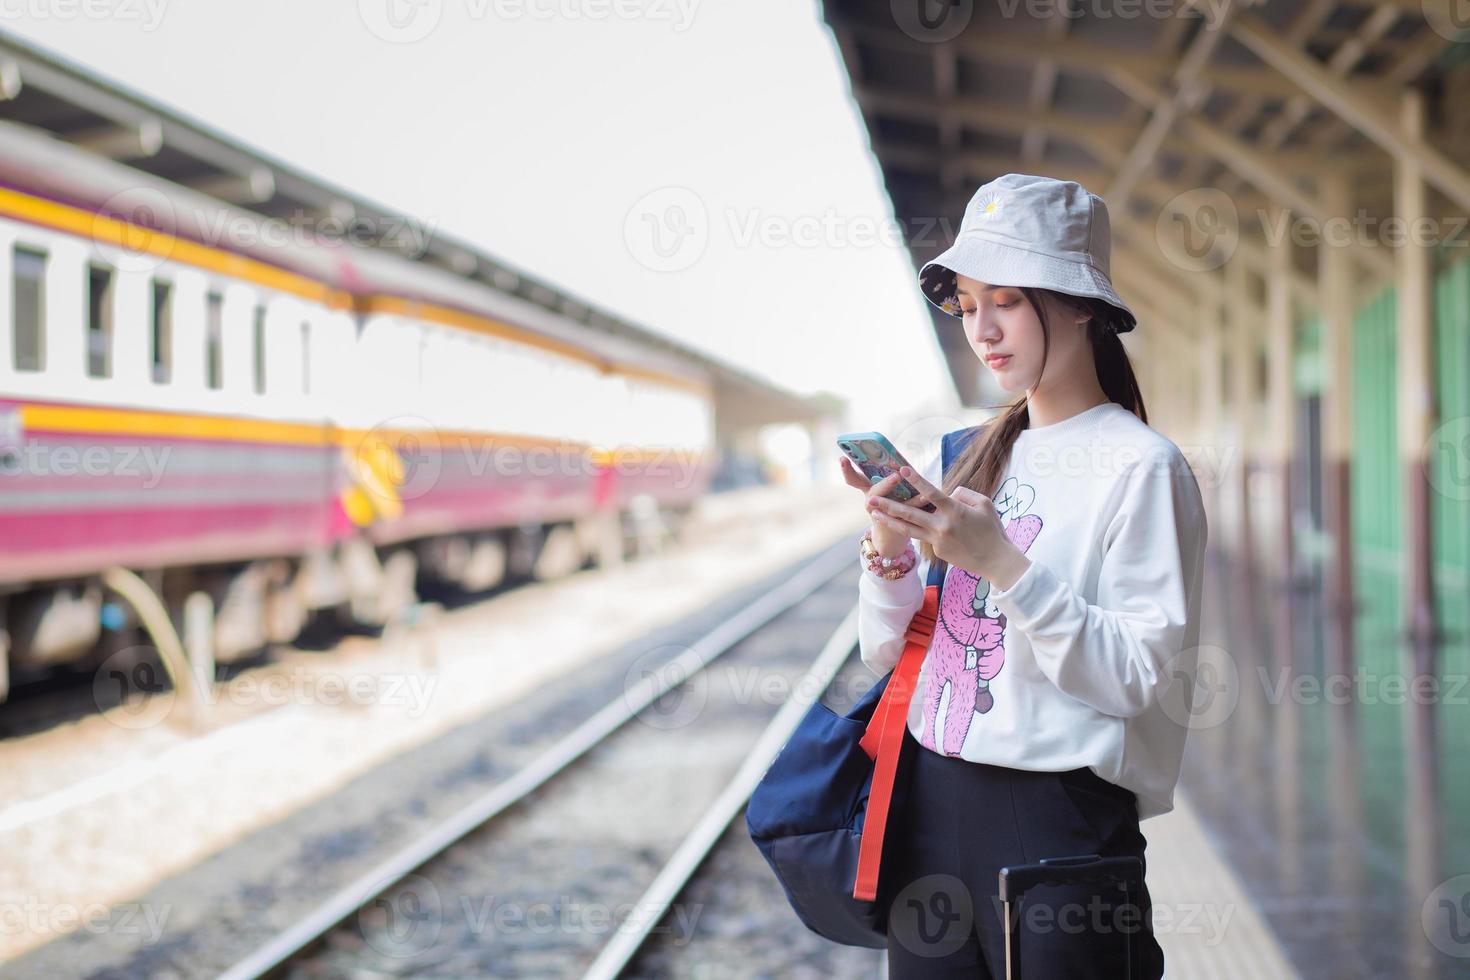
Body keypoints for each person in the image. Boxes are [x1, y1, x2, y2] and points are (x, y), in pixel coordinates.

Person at [838, 173, 1208, 978]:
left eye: (1005, 299)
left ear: (1081, 303)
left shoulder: (1143, 467)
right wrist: (888, 544)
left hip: (1060, 828)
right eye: (968, 305)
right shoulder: (964, 455)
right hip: (929, 815)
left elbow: (1135, 678)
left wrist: (998, 561)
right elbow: (884, 653)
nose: (983, 329)